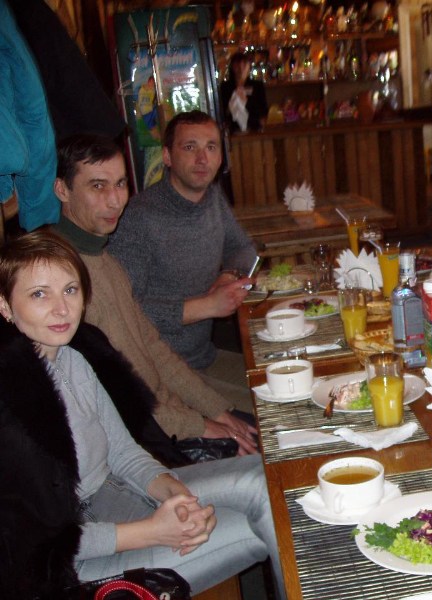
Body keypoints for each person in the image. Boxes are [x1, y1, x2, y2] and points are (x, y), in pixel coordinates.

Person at [0, 231, 283, 598]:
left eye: (70, 290)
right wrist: (153, 531)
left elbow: (123, 452)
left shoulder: (74, 358)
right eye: (39, 294)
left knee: (267, 479)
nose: (62, 308)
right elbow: (34, 538)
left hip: (118, 498)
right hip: (69, 565)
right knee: (262, 525)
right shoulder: (11, 400)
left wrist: (177, 497)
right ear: (5, 306)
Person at [51, 132, 257, 450]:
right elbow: (117, 395)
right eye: (98, 186)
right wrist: (200, 425)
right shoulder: (60, 278)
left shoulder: (104, 259)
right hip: (143, 441)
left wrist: (218, 410)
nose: (115, 200)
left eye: (120, 184)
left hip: (169, 412)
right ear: (62, 190)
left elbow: (152, 347)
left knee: (270, 427)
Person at [108, 110, 257, 404]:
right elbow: (123, 311)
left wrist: (228, 275)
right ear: (167, 156)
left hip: (204, 356)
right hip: (158, 375)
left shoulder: (212, 197)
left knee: (284, 380)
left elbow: (243, 248)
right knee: (267, 411)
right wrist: (207, 306)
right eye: (190, 147)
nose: (203, 159)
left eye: (211, 147)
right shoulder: (138, 218)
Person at [220, 52, 268, 133]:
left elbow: (263, 109)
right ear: (232, 67)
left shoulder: (257, 86)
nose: (241, 68)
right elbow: (222, 110)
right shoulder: (225, 87)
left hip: (254, 128)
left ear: (249, 66)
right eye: (237, 64)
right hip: (232, 129)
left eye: (244, 64)